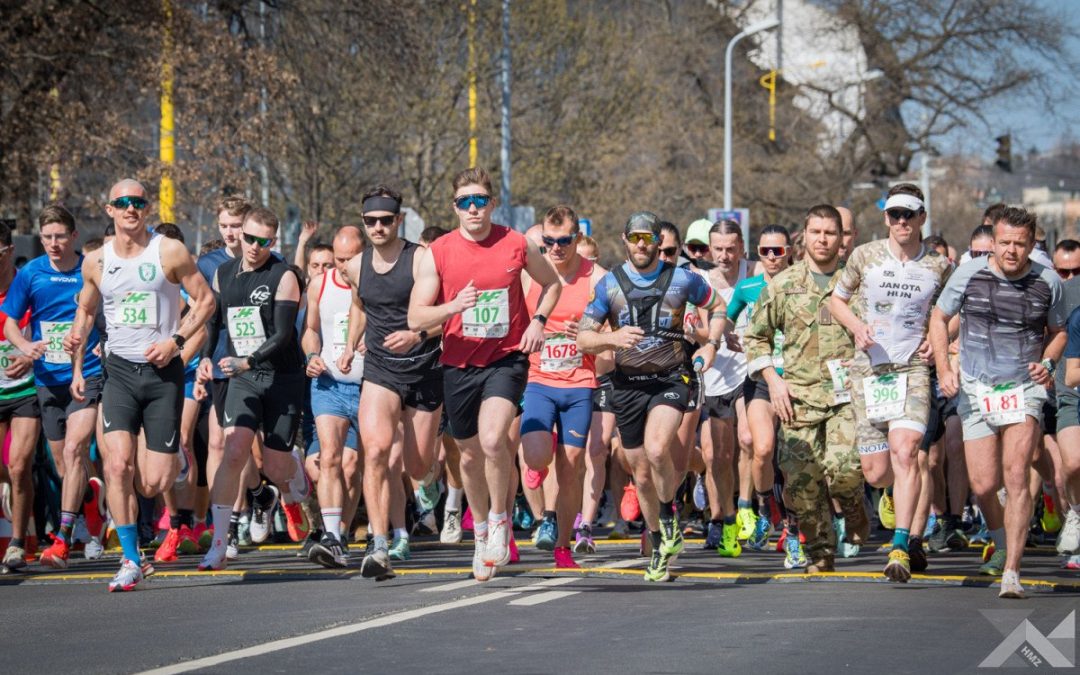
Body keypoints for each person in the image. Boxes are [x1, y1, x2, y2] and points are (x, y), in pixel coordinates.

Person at [408, 167, 560, 582]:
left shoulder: (516, 244)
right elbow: (416, 314)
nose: (473, 208)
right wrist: (452, 307)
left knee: (494, 440)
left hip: (506, 358)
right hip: (457, 362)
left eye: (480, 200)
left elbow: (552, 284)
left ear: (492, 203)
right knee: (469, 454)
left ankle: (498, 520)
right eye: (464, 202)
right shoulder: (437, 251)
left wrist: (539, 321)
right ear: (454, 207)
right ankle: (479, 534)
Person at [67, 179, 214, 592]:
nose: (132, 209)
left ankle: (176, 462)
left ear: (146, 209)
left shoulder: (167, 250)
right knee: (117, 465)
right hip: (119, 374)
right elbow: (85, 311)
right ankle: (131, 559)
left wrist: (176, 341)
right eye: (123, 203)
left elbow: (205, 301)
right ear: (109, 209)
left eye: (139, 203)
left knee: (153, 482)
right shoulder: (95, 261)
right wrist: (78, 363)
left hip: (162, 374)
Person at [577, 211, 726, 582]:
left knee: (659, 449)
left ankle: (669, 512)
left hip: (670, 378)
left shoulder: (682, 279)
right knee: (640, 472)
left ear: (658, 242)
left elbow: (718, 307)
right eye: (635, 238)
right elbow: (583, 337)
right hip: (627, 385)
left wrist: (711, 347)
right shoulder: (610, 285)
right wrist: (612, 338)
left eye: (648, 238)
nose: (642, 245)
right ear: (625, 241)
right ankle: (660, 540)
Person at [929, 206, 1065, 599]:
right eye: (1004, 242)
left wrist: (1048, 363)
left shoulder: (1047, 281)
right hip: (976, 388)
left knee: (1017, 473)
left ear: (1031, 243)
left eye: (1019, 244)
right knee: (985, 484)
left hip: (1024, 388)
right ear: (993, 239)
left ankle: (1012, 571)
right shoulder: (970, 273)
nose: (1011, 251)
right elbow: (939, 319)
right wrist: (944, 367)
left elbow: (1057, 332)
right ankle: (1002, 537)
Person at [829, 184, 953, 582]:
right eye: (894, 214)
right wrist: (857, 327)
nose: (901, 222)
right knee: (877, 472)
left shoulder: (938, 266)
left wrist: (939, 342)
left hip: (912, 369)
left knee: (906, 451)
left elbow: (955, 311)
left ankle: (901, 543)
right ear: (886, 218)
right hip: (869, 370)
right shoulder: (865, 256)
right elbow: (837, 300)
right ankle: (897, 499)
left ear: (922, 218)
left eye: (909, 215)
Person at [743, 204, 867, 574]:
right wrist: (773, 380)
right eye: (817, 232)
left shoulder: (857, 284)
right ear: (804, 236)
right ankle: (820, 551)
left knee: (843, 469)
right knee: (800, 482)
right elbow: (756, 338)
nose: (824, 239)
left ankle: (856, 510)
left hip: (846, 396)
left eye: (831, 233)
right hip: (797, 398)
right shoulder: (783, 285)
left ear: (842, 239)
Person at [338, 186, 445, 580]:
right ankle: (379, 545)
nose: (378, 227)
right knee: (378, 451)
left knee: (416, 465)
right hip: (380, 370)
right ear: (363, 222)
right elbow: (359, 306)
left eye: (386, 220)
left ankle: (429, 481)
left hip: (423, 367)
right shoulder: (356, 266)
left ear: (399, 221)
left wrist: (417, 335)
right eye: (371, 221)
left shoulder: (420, 259)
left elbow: (440, 315)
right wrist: (351, 344)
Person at [197, 207, 308, 572]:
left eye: (264, 241)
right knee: (233, 451)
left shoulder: (284, 275)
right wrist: (205, 358)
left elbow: (282, 334)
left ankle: (289, 473)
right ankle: (219, 542)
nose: (255, 247)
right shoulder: (222, 273)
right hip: (242, 377)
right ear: (239, 234)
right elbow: (214, 324)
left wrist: (249, 360)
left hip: (282, 377)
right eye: (249, 238)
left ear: (273, 242)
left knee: (275, 467)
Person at [3, 204, 106, 569]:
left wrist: (100, 341)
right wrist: (25, 346)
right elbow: (12, 322)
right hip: (47, 379)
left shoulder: (90, 269)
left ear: (73, 236)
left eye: (60, 236)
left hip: (87, 373)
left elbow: (110, 310)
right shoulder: (31, 273)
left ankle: (63, 537)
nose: (53, 243)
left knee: (77, 448)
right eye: (47, 237)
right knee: (63, 464)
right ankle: (91, 506)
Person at [519, 205, 604, 569]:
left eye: (564, 241)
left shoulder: (597, 277)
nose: (555, 249)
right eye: (549, 242)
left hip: (579, 383)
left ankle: (563, 545)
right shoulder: (532, 275)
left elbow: (611, 332)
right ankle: (538, 466)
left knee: (571, 468)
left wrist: (590, 335)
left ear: (577, 239)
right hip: (538, 379)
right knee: (538, 456)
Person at [726, 225, 792, 554]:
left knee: (792, 460)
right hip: (760, 380)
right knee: (761, 448)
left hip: (798, 380)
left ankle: (794, 530)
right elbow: (724, 317)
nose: (770, 257)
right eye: (764, 251)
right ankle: (766, 509)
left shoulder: (801, 284)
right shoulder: (747, 287)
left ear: (789, 252)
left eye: (777, 251)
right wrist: (722, 334)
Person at [302, 225, 365, 568]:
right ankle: (332, 536)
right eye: (338, 260)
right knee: (329, 458)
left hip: (368, 386)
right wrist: (312, 356)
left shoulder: (374, 282)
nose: (341, 266)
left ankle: (343, 528)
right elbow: (311, 330)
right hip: (328, 384)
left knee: (353, 467)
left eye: (349, 259)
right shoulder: (320, 284)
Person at [0, 220, 41, 571]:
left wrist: (29, 354)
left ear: (9, 250)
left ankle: (16, 544)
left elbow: (49, 328)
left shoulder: (26, 284)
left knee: (18, 465)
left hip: (26, 389)